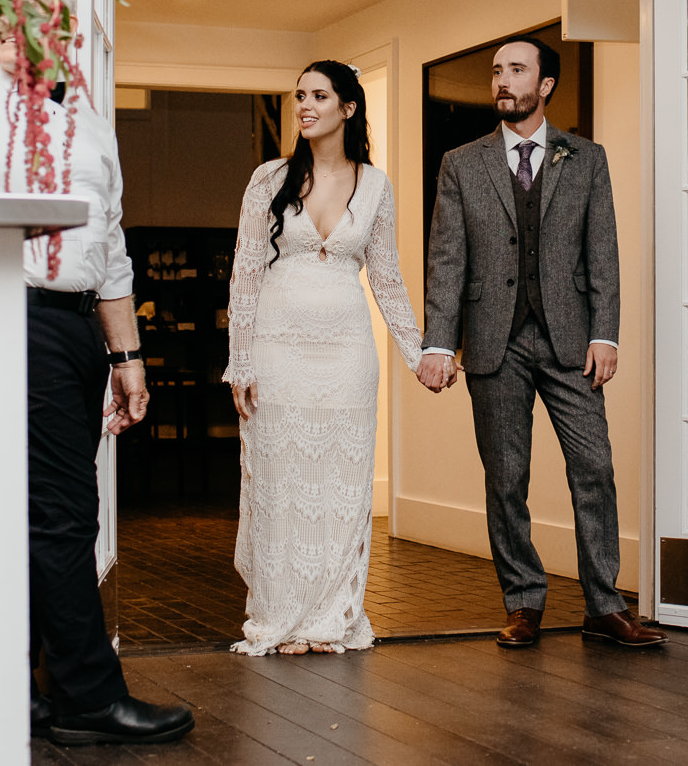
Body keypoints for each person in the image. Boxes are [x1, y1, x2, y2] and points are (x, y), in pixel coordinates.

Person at [0, 63, 195, 745]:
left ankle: (17, 693)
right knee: (61, 514)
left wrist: (127, 358)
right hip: (2, 311)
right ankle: (86, 695)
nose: (52, 29)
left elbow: (110, 243)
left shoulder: (91, 121)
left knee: (41, 513)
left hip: (77, 326)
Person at [418, 37, 663, 649]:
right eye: (497, 71)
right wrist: (438, 344)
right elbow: (446, 261)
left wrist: (606, 332)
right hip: (492, 341)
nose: (503, 80)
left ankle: (604, 606)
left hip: (571, 341)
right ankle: (523, 602)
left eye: (517, 70)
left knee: (595, 469)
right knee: (506, 478)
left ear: (545, 85)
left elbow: (601, 250)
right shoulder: (461, 163)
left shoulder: (586, 158)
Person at [224, 60, 424, 655]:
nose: (304, 106)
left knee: (341, 484)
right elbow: (244, 277)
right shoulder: (269, 179)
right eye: (298, 96)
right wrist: (241, 362)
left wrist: (420, 353)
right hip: (277, 348)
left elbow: (386, 279)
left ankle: (329, 619)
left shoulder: (377, 184)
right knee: (282, 483)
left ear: (348, 108)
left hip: (346, 353)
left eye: (318, 95)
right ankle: (280, 615)